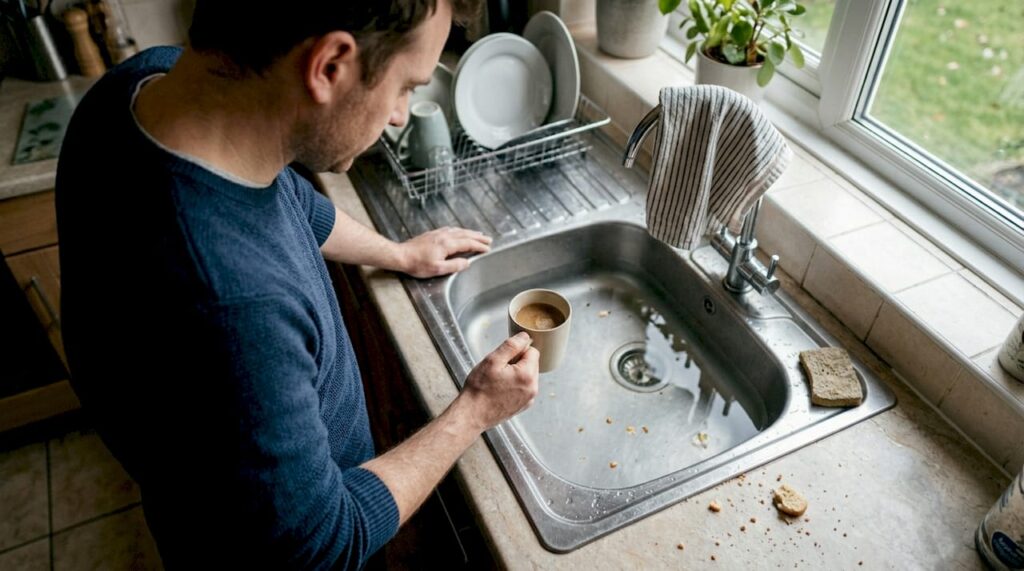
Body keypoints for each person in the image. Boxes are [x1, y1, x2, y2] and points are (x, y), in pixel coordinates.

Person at [54, 0, 539, 568]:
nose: (402, 114)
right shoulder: (232, 304)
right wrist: (473, 412)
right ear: (330, 65)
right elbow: (319, 542)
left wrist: (397, 253)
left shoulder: (143, 88)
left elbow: (288, 200)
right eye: (406, 85)